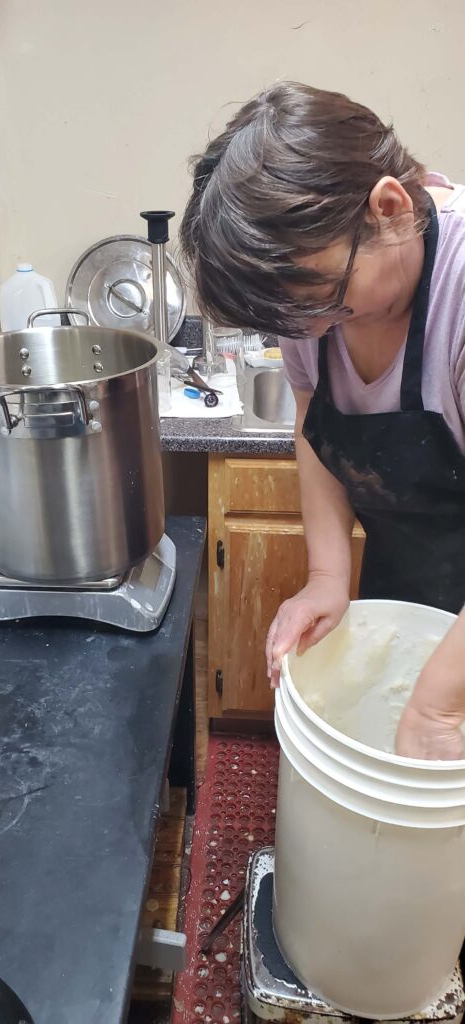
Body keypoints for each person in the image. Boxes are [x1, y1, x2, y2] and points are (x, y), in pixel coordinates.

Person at [180, 81, 465, 760]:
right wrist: (327, 579)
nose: (304, 332)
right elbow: (316, 432)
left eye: (323, 304)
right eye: (287, 319)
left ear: (389, 209)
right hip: (412, 570)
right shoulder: (306, 293)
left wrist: (435, 708)